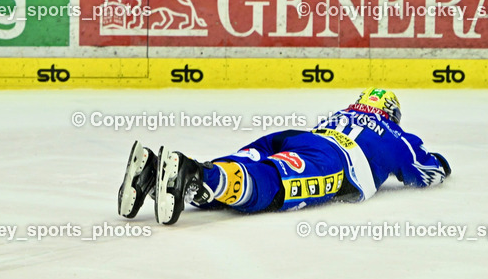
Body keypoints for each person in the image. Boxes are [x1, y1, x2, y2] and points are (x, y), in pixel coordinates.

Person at [117, 87, 451, 225]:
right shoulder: (394, 134)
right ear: (391, 112)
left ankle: (159, 173)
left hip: (297, 137)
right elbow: (423, 172)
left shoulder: (339, 114)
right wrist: (441, 164)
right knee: (274, 183)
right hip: (337, 160)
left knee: (246, 166)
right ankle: (198, 176)